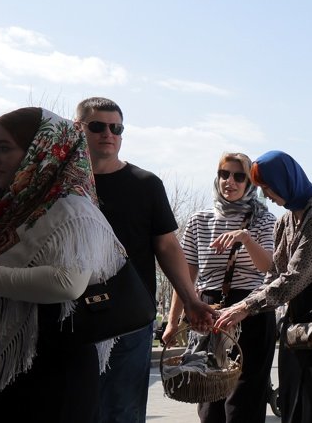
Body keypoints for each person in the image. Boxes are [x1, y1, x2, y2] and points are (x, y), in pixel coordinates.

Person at [0, 108, 127, 421]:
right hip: (14, 373)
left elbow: (67, 283)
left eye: (4, 148)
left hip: (50, 377)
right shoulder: (16, 210)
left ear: (42, 150)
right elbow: (12, 286)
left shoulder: (72, 209)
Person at [74, 97, 212, 423]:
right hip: (70, 317)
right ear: (78, 129)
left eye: (116, 127)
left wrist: (190, 300)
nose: (108, 133)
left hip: (129, 318)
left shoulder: (146, 184)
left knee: (122, 411)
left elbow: (167, 247)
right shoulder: (62, 187)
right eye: (98, 126)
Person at [214, 150, 312, 423]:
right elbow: (274, 273)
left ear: (285, 182)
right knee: (292, 391)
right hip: (299, 310)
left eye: (268, 187)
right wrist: (239, 307)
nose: (266, 195)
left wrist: (246, 306)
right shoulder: (287, 220)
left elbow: (294, 278)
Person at [165, 152, 277, 423]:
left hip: (250, 310)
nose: (230, 181)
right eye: (224, 174)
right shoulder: (199, 221)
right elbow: (185, 277)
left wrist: (245, 238)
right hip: (208, 309)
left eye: (239, 176)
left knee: (245, 398)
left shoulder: (264, 219)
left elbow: (268, 267)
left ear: (249, 183)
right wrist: (171, 322)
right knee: (208, 394)